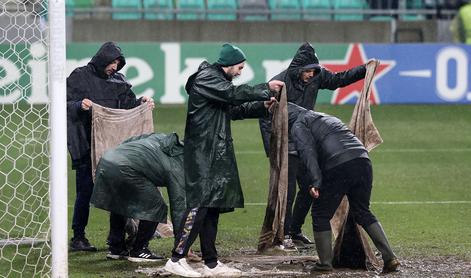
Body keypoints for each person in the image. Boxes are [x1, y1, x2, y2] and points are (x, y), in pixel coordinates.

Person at [164, 43, 283, 278]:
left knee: (213, 206)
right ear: (228, 65)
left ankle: (211, 263)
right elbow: (233, 95)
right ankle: (176, 258)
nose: (240, 72)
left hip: (214, 152)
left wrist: (262, 106)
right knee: (199, 205)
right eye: (239, 67)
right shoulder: (208, 77)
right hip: (202, 153)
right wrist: (265, 89)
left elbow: (233, 110)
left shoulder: (218, 82)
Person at [259, 42, 369, 249]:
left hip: (305, 140)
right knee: (287, 191)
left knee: (312, 185)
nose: (311, 75)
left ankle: (294, 230)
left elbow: (338, 79)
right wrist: (272, 148)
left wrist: (363, 70)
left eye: (313, 71)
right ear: (298, 69)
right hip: (285, 143)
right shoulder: (280, 82)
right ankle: (281, 236)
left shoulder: (317, 75)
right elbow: (265, 116)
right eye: (308, 71)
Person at [287, 103, 400, 273]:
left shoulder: (298, 124)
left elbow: (307, 153)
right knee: (362, 211)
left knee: (320, 214)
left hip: (339, 165)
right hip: (363, 160)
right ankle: (390, 257)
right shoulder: (326, 116)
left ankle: (324, 264)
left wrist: (316, 181)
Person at [66, 41, 154, 251]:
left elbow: (128, 107)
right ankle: (78, 237)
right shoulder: (79, 76)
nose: (114, 67)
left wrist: (142, 102)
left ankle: (116, 238)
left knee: (118, 191)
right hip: (87, 145)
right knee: (85, 192)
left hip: (113, 147)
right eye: (112, 62)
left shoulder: (119, 81)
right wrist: (79, 105)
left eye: (117, 63)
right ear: (102, 59)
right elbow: (63, 104)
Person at [91, 132, 186, 262]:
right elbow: (179, 205)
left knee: (120, 202)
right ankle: (139, 249)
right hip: (125, 167)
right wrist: (181, 242)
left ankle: (116, 247)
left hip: (108, 160)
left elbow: (131, 140)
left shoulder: (161, 137)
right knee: (156, 206)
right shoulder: (178, 163)